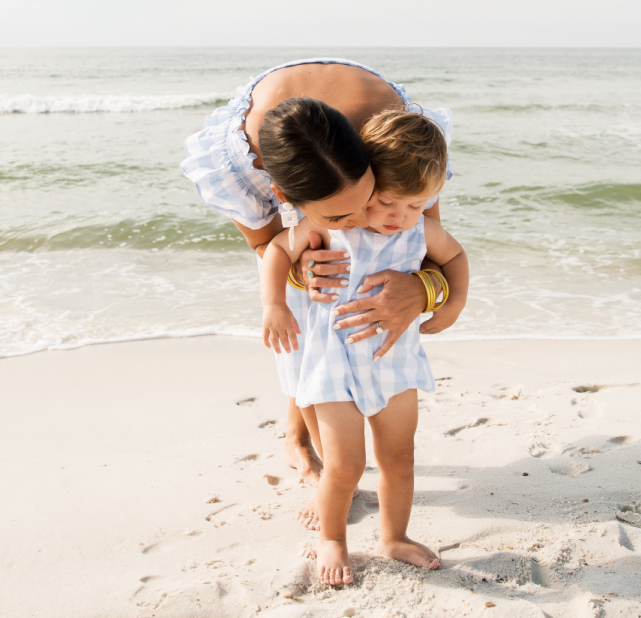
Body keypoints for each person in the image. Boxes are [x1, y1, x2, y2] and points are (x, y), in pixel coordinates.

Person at [181, 59, 455, 483]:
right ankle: (301, 437)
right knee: (304, 310)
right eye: (339, 217)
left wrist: (424, 289)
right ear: (284, 197)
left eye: (368, 199)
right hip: (275, 148)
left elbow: (426, 238)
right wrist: (300, 270)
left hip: (359, 121)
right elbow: (266, 246)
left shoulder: (396, 139)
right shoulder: (238, 164)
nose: (361, 220)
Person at [261, 107, 468, 585]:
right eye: (390, 203)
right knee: (346, 463)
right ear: (369, 183)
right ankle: (332, 538)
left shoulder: (419, 228)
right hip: (333, 364)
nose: (400, 218)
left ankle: (393, 537)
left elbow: (455, 256)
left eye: (417, 206)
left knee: (400, 456)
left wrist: (452, 303)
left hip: (393, 358)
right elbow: (276, 249)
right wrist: (274, 303)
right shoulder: (333, 224)